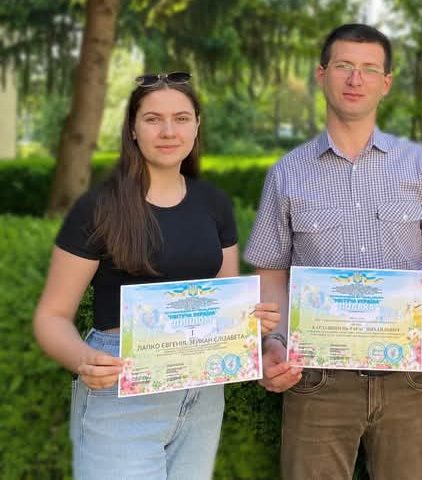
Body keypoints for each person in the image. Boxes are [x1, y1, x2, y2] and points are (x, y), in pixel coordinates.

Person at [244, 24, 422, 479]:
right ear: (321, 75)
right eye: (343, 66)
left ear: (386, 83)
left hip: (405, 378)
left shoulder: (418, 165)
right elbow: (271, 274)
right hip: (316, 379)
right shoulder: (286, 173)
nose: (355, 79)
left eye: (369, 69)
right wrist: (273, 343)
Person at [33, 72, 280, 480]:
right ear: (132, 128)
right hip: (121, 390)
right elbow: (51, 316)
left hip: (202, 394)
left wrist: (253, 322)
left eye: (181, 118)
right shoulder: (98, 208)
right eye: (152, 119)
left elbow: (224, 303)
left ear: (197, 125)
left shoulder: (214, 203)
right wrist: (82, 359)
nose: (168, 131)